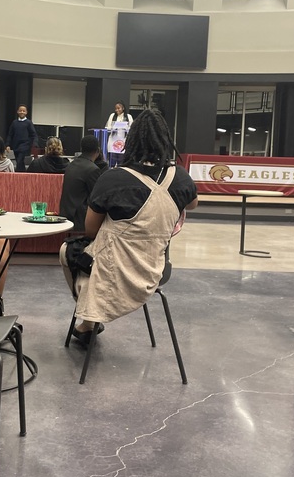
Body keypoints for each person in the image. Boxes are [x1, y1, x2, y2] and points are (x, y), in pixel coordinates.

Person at [60, 109, 198, 345]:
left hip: (112, 273)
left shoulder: (113, 178)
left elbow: (91, 231)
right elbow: (193, 203)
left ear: (131, 141)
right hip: (155, 269)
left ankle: (89, 321)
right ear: (166, 140)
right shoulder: (181, 177)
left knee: (67, 251)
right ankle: (89, 321)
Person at [59, 135, 106, 231]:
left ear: (81, 149)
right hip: (81, 220)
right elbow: (96, 198)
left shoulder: (71, 165)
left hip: (66, 215)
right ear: (98, 151)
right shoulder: (93, 169)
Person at [5, 104, 38, 172]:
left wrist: (34, 144)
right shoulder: (14, 123)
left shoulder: (28, 123)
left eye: (23, 111)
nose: (22, 112)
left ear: (26, 112)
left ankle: (17, 175)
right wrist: (7, 144)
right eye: (20, 111)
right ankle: (23, 175)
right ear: (17, 112)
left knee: (20, 160)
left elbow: (33, 134)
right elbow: (10, 134)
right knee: (19, 162)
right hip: (16, 146)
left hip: (25, 146)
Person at [105, 101, 133, 168]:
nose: (117, 110)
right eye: (116, 108)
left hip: (123, 141)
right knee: (112, 161)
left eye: (118, 108)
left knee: (121, 162)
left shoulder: (128, 117)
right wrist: (114, 127)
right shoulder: (112, 116)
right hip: (113, 141)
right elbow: (108, 127)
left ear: (123, 108)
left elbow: (132, 128)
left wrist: (124, 127)